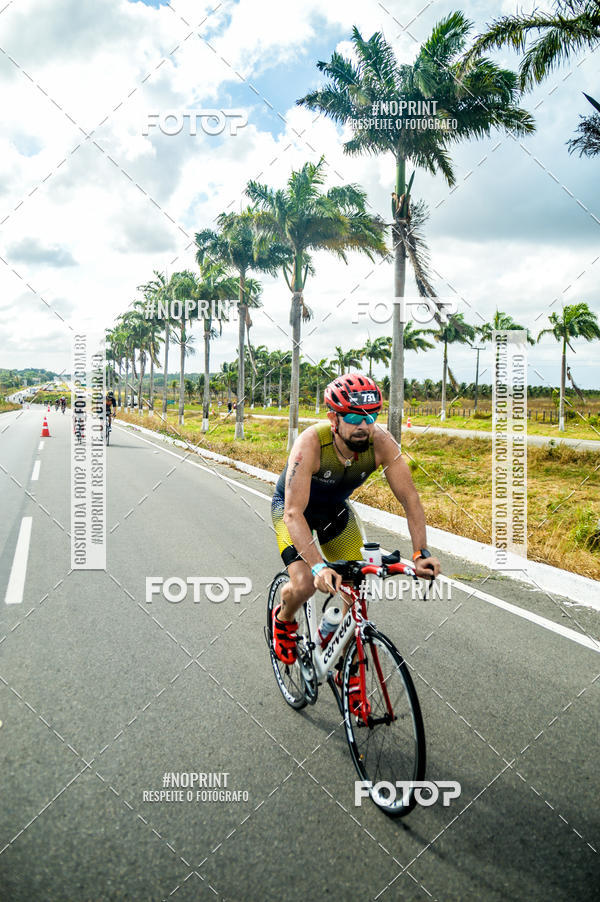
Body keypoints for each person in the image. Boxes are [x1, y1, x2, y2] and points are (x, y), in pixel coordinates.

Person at [270, 373, 441, 668]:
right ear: (333, 419)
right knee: (306, 584)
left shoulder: (381, 442)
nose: (364, 425)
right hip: (293, 510)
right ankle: (283, 620)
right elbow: (293, 513)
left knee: (357, 587)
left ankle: (345, 664)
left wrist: (419, 553)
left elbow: (410, 498)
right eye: (353, 416)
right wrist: (320, 567)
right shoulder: (310, 443)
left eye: (371, 416)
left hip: (335, 512)